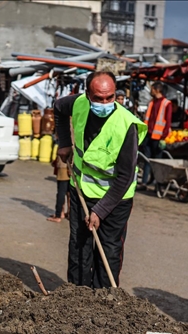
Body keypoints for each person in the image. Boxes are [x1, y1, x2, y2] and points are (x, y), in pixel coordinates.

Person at [54, 71, 147, 288]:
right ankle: (77, 296)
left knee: (108, 251)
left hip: (115, 198)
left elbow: (125, 177)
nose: (104, 103)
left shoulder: (127, 126)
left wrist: (100, 211)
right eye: (98, 98)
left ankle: (105, 301)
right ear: (87, 94)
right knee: (79, 247)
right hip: (81, 191)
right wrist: (64, 142)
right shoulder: (78, 103)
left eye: (110, 97)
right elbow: (58, 108)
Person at [139, 82, 172, 189]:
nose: (150, 91)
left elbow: (167, 122)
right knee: (147, 160)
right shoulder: (152, 102)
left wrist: (164, 137)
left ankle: (158, 185)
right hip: (149, 135)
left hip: (158, 137)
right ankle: (144, 183)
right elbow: (148, 119)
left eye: (152, 89)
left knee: (158, 163)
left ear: (157, 90)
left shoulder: (166, 103)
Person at [48, 133, 70, 223]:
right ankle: (67, 213)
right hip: (70, 165)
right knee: (69, 192)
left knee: (61, 191)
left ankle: (58, 215)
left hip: (64, 165)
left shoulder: (66, 127)